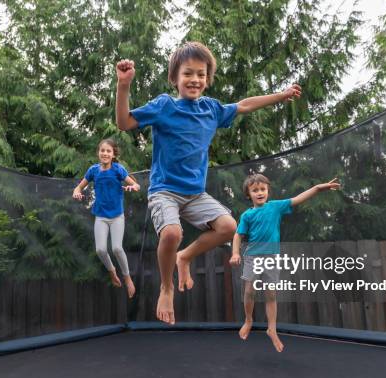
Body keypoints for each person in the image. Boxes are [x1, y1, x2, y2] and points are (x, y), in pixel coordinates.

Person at [115, 41, 302, 324]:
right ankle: (166, 288)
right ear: (175, 78)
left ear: (207, 78)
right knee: (171, 234)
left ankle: (185, 258)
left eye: (201, 74)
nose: (195, 80)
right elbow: (124, 122)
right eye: (188, 73)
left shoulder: (212, 109)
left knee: (229, 227)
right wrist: (124, 86)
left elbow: (244, 105)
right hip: (164, 190)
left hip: (195, 194)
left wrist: (282, 94)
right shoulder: (164, 106)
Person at [230, 173, 340, 352]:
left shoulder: (275, 207)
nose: (259, 193)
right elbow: (237, 235)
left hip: (272, 257)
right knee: (250, 289)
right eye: (255, 190)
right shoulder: (247, 215)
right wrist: (235, 253)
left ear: (268, 191)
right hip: (253, 257)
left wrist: (318, 188)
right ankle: (249, 319)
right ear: (248, 194)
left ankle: (272, 328)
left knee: (271, 294)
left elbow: (297, 199)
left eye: (263, 189)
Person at [73, 139, 140, 298]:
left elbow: (136, 185)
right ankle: (112, 271)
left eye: (108, 151)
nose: (105, 153)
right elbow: (79, 186)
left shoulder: (118, 169)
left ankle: (127, 277)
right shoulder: (93, 170)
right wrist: (76, 192)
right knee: (100, 250)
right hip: (101, 216)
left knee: (117, 248)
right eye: (102, 150)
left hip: (117, 216)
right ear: (98, 153)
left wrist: (133, 187)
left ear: (113, 154)